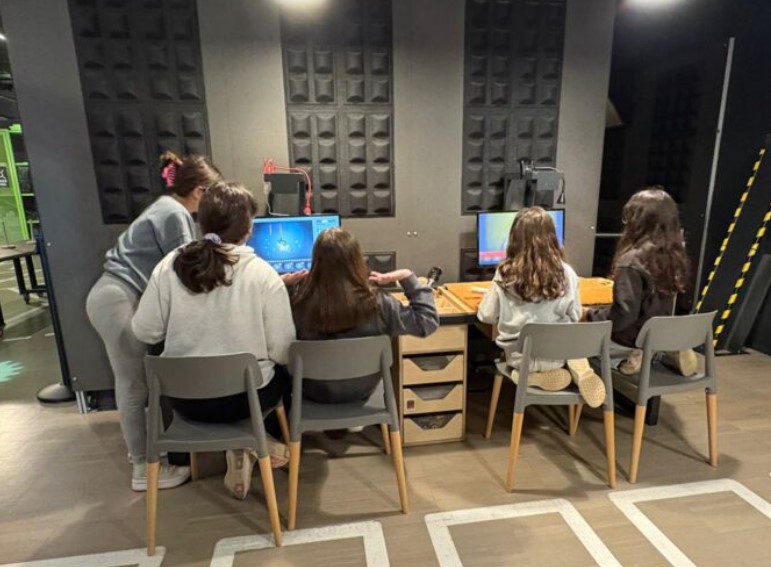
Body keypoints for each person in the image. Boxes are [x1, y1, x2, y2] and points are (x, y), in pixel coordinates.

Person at [132, 181, 296, 500]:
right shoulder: (263, 275)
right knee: (282, 373)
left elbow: (145, 331)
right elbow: (282, 351)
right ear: (248, 228)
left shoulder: (169, 267)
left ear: (201, 222)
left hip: (185, 402)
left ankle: (245, 445)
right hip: (246, 401)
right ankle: (251, 440)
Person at [86, 151, 222, 492]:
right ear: (201, 192)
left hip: (115, 296)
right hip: (117, 298)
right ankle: (143, 469)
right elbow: (188, 268)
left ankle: (147, 459)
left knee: (135, 384)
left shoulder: (167, 208)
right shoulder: (174, 214)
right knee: (133, 387)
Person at [291, 227, 440, 404]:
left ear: (315, 262)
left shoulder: (298, 304)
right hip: (362, 390)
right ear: (357, 261)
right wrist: (407, 276)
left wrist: (282, 285)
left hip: (314, 393)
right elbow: (426, 322)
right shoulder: (380, 304)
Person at [477, 207, 606, 408]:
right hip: (556, 356)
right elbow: (575, 316)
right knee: (570, 341)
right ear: (552, 237)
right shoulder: (567, 274)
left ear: (514, 238)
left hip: (520, 358)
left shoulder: (505, 274)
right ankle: (581, 370)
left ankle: (527, 377)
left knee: (522, 357)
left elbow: (486, 315)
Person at [586, 186, 696, 376]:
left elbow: (622, 316)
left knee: (580, 343)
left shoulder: (631, 261)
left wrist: (589, 315)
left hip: (631, 338)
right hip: (655, 334)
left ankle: (625, 358)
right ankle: (662, 351)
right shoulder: (673, 256)